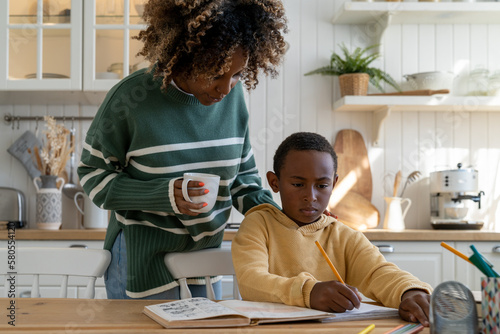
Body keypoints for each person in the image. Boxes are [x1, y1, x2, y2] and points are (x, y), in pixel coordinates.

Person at [77, 0, 288, 300]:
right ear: (186, 56)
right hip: (141, 264)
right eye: (216, 74)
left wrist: (287, 220)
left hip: (204, 265)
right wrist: (163, 195)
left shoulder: (233, 99)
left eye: (237, 74)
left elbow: (242, 182)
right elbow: (92, 174)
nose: (226, 89)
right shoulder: (130, 99)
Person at [231, 132, 433, 326]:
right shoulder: (258, 224)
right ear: (275, 183)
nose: (310, 196)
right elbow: (251, 281)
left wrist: (410, 292)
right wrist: (308, 292)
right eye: (298, 184)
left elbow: (378, 272)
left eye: (321, 185)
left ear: (334, 183)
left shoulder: (343, 235)